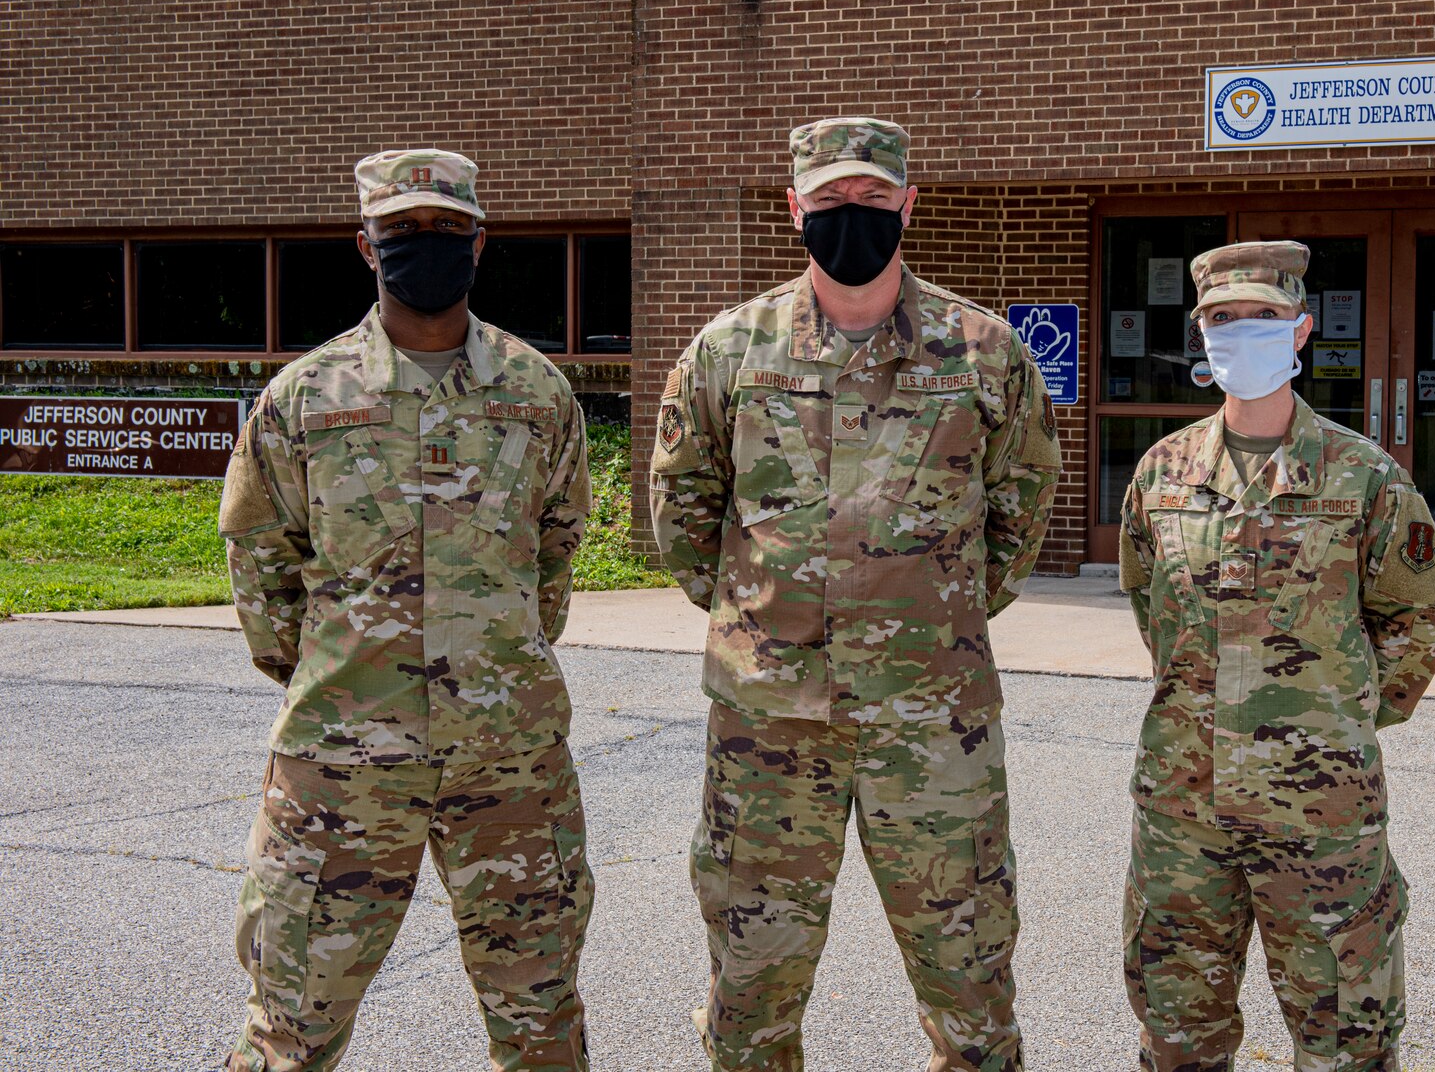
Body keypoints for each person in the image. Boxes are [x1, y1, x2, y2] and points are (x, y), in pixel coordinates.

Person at [649, 116, 1060, 1072]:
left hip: (933, 721)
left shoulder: (983, 351)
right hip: (770, 728)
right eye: (831, 199)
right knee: (752, 989)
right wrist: (766, 618)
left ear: (909, 204)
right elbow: (685, 515)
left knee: (970, 981)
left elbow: (1023, 505)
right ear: (795, 209)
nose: (851, 215)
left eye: (872, 198)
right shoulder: (728, 351)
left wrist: (935, 617)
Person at [217, 148, 594, 1072]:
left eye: (446, 230)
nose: (425, 246)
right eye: (402, 232)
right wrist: (338, 673)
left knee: (540, 1020)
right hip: (343, 766)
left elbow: (555, 551)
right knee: (291, 1025)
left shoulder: (537, 393)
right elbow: (261, 558)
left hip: (508, 758)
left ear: (478, 243)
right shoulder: (303, 400)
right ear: (365, 245)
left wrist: (490, 653)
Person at [1117, 240, 1435, 1070]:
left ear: (1300, 331)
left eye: (1261, 318)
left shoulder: (1365, 478)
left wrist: (1333, 721)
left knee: (1346, 1037)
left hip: (1322, 815)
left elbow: (1415, 621)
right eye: (1221, 320)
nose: (1241, 333)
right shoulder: (1161, 475)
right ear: (1201, 337)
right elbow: (1148, 604)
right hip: (1183, 810)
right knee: (1177, 1036)